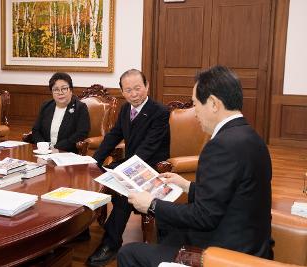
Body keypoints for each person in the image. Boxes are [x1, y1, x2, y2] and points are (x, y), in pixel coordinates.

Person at [117, 65, 273, 267]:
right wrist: (187, 186)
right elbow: (230, 192)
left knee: (128, 253)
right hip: (248, 238)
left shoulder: (221, 146)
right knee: (167, 224)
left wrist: (151, 204)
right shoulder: (250, 136)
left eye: (195, 104)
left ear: (214, 104)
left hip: (224, 253)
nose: (195, 111)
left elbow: (204, 217)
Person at [86, 69, 170, 267]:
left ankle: (111, 243)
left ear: (147, 86)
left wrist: (123, 170)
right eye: (128, 90)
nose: (134, 94)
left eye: (138, 88)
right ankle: (83, 230)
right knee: (98, 174)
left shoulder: (160, 112)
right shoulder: (125, 109)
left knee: (124, 190)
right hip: (132, 163)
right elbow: (113, 136)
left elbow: (147, 149)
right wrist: (94, 161)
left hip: (153, 167)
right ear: (122, 92)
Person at [31, 72, 90, 153]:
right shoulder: (46, 106)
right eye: (56, 89)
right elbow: (36, 130)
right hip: (44, 152)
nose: (60, 92)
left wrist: (57, 148)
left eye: (64, 88)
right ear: (52, 92)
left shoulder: (80, 107)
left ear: (71, 90)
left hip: (66, 153)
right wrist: (43, 147)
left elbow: (81, 133)